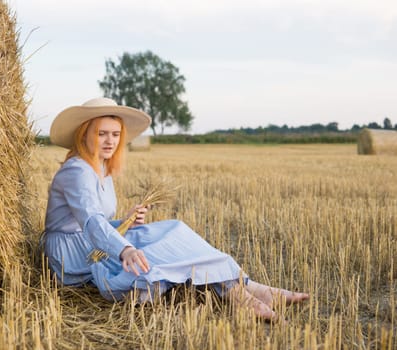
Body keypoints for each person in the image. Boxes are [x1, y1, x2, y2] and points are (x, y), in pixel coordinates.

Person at [40, 97, 309, 320]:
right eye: (101, 134)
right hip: (73, 255)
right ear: (84, 133)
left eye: (115, 134)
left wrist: (126, 223)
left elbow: (100, 223)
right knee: (155, 250)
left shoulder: (101, 167)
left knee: (174, 231)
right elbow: (90, 222)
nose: (110, 141)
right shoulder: (77, 170)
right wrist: (125, 247)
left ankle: (244, 287)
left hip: (92, 241)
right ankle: (241, 292)